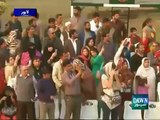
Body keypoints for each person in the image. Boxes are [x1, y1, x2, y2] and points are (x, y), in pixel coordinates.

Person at [52, 51, 70, 119]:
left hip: (67, 85)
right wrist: (60, 85)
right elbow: (54, 76)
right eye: (65, 56)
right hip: (59, 86)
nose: (66, 57)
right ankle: (57, 117)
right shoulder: (56, 65)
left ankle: (63, 117)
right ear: (61, 57)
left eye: (67, 56)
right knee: (59, 102)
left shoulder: (68, 64)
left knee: (64, 102)